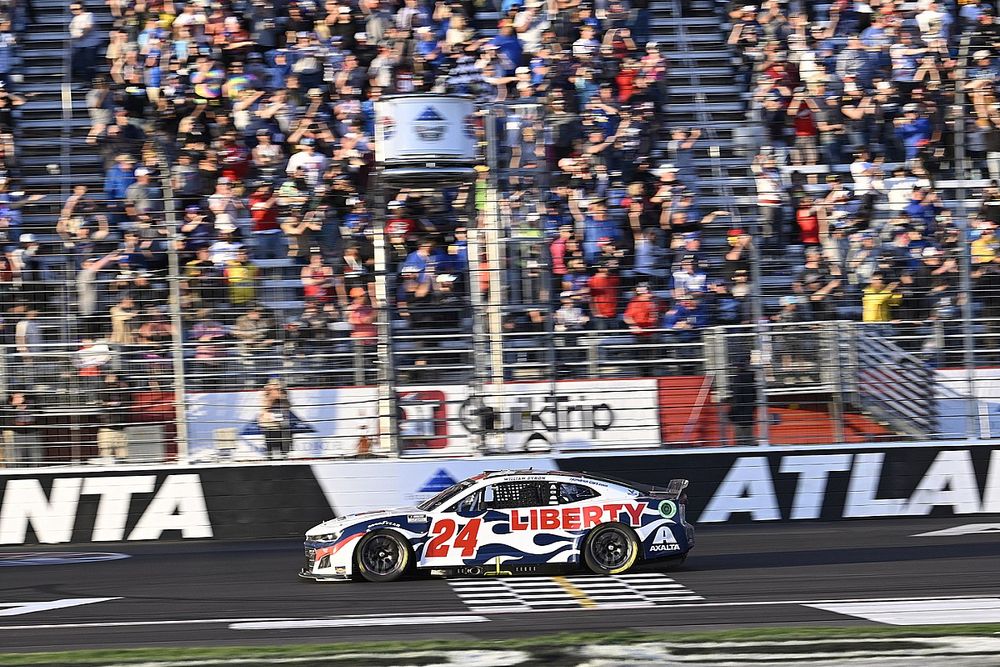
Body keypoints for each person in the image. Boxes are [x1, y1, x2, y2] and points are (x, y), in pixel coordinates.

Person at [97, 373, 129, 462]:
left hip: (120, 429)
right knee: (105, 456)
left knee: (123, 457)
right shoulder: (103, 390)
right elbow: (102, 401)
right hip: (107, 428)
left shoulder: (124, 393)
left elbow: (123, 402)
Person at [3, 392, 41, 467]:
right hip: (17, 434)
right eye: (15, 396)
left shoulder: (32, 404)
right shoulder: (9, 407)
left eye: (20, 395)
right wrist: (14, 407)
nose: (18, 398)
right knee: (18, 457)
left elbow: (39, 414)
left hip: (32, 433)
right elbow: (7, 420)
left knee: (35, 457)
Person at [258, 379, 293, 459]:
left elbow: (288, 406)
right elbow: (265, 407)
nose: (277, 389)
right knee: (270, 450)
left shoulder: (283, 393)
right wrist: (272, 395)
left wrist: (282, 396)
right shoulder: (266, 394)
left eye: (278, 387)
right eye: (274, 386)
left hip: (281, 426)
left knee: (284, 451)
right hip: (269, 426)